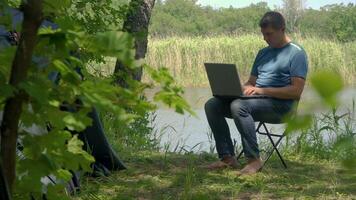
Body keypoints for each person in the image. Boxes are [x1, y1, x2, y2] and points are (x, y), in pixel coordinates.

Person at [204, 11, 308, 175]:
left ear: (282, 29)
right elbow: (251, 82)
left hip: (282, 107)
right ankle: (227, 158)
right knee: (212, 105)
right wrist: (238, 90)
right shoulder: (263, 53)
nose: (265, 38)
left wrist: (260, 90)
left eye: (269, 34)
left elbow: (296, 92)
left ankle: (254, 160)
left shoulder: (297, 53)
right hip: (255, 102)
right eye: (263, 34)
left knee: (239, 106)